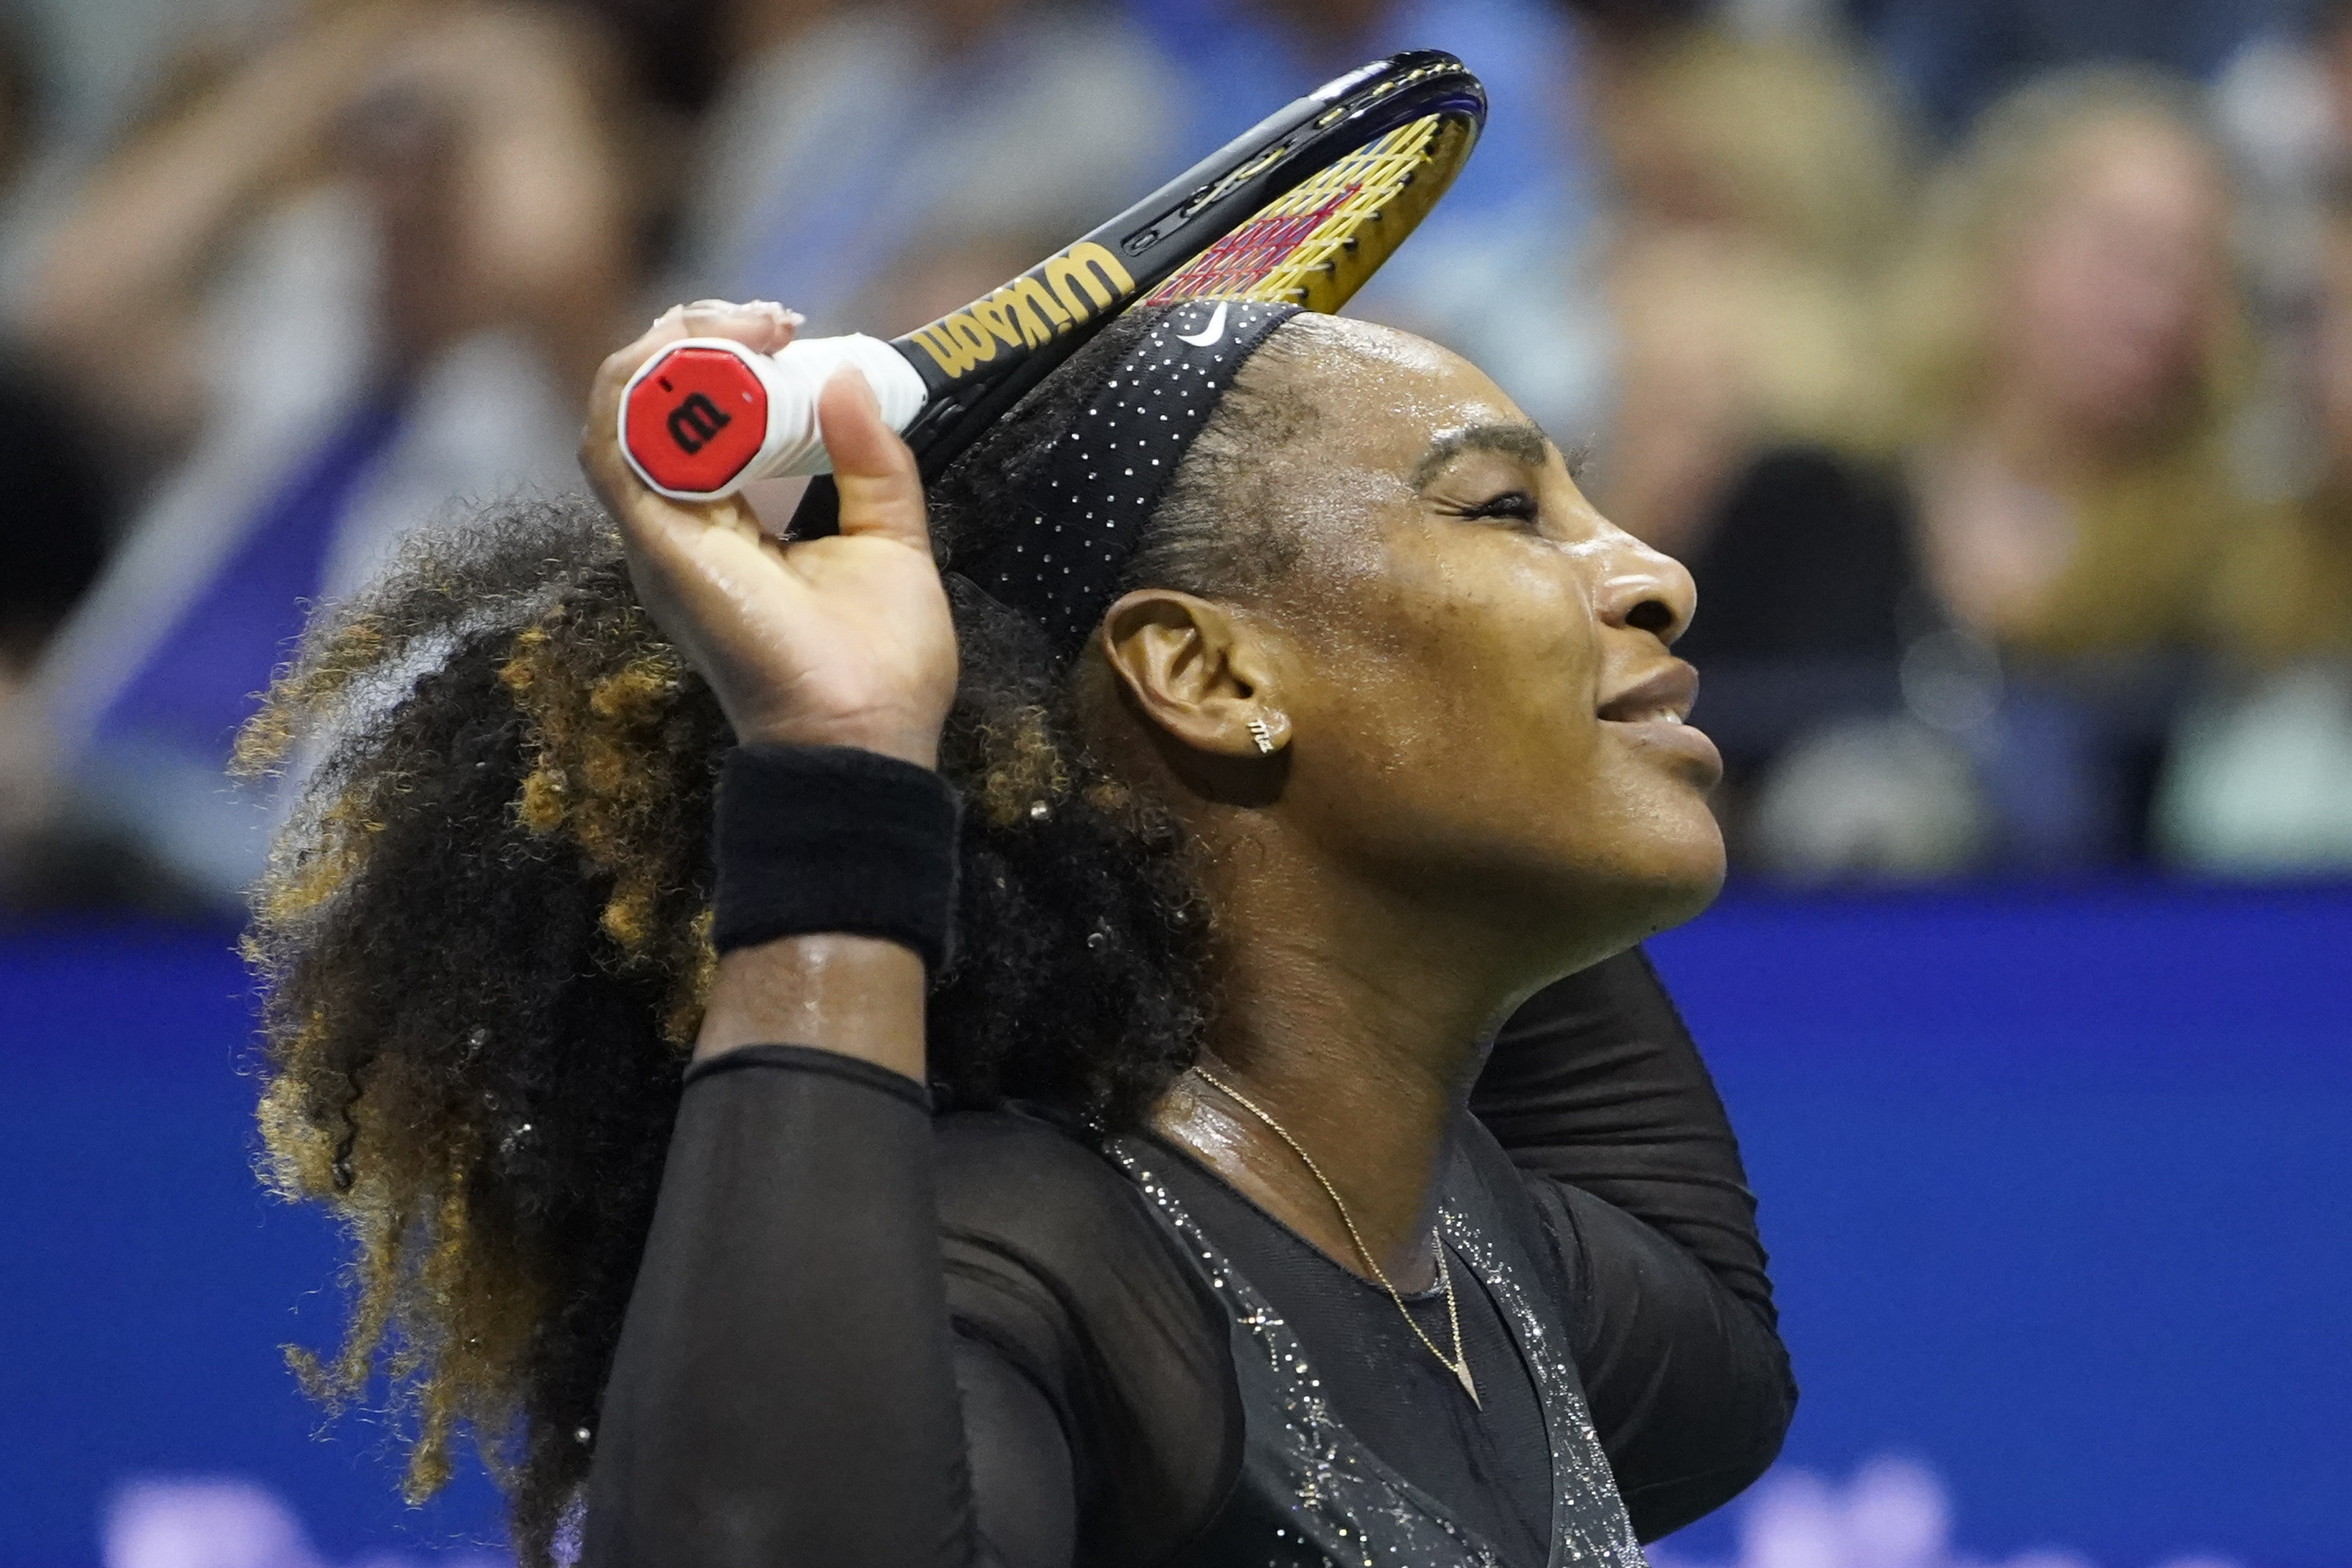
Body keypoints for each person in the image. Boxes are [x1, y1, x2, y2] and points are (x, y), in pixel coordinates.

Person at [242, 291, 1794, 1565]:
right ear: (1203, 673)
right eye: (1509, 508)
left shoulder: (1472, 1251)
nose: (1650, 573)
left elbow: (1720, 1359)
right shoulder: (1007, 1248)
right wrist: (842, 754)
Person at [1678, 67, 2254, 873]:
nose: (2160, 301)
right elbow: (1664, 747)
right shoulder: (1810, 500)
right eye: (2125, 250)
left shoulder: (2225, 549)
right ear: (1999, 241)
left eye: (2195, 266)